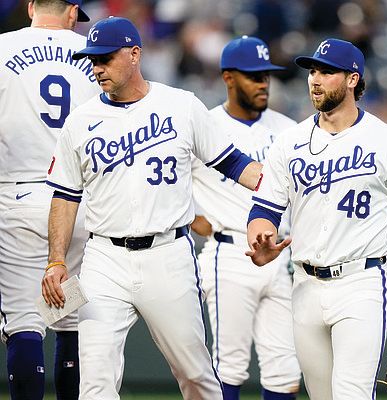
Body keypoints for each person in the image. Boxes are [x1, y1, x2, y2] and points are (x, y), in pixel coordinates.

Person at [41, 16, 263, 399]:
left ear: (135, 54)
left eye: (106, 58)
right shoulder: (80, 121)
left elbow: (233, 163)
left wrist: (282, 189)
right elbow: (64, 195)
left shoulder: (180, 105)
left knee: (195, 375)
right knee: (94, 380)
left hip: (168, 253)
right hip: (103, 259)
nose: (97, 67)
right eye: (92, 59)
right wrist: (56, 260)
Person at [246, 38, 387, 400]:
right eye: (312, 71)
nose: (315, 79)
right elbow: (263, 210)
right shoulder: (290, 142)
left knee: (352, 393)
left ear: (352, 79)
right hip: (304, 283)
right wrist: (260, 237)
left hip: (362, 282)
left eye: (326, 72)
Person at [190, 35, 301, 400]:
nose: (263, 83)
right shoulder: (204, 125)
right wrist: (197, 220)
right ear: (228, 77)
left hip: (281, 255)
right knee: (229, 366)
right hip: (230, 250)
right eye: (253, 76)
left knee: (285, 368)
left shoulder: (288, 129)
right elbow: (170, 185)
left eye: (266, 75)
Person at [0, 1, 96, 399]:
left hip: (18, 199)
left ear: (31, 7)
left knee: (25, 322)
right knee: (69, 320)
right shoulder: (97, 55)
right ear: (73, 12)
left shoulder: (3, 47)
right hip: (78, 205)